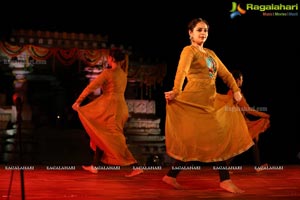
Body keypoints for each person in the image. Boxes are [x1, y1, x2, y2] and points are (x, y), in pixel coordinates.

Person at [163, 18, 254, 193]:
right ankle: (225, 180)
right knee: (214, 138)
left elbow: (226, 73)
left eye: (205, 30)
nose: (203, 33)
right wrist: (176, 90)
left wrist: (235, 89)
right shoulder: (188, 51)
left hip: (210, 100)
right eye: (199, 30)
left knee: (199, 141)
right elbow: (181, 71)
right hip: (194, 100)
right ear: (190, 33)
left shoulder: (210, 53)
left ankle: (171, 176)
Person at [72, 48, 143, 177]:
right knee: (101, 134)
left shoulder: (108, 73)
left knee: (115, 139)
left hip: (110, 108)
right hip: (120, 108)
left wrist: (78, 101)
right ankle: (94, 166)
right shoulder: (123, 74)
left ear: (111, 58)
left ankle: (135, 166)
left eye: (108, 57)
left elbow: (91, 87)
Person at [227, 69, 270, 171]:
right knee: (240, 145)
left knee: (250, 141)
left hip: (238, 122)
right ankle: (225, 166)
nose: (242, 81)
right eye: (241, 79)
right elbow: (248, 109)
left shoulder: (231, 91)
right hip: (238, 123)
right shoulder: (235, 92)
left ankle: (257, 166)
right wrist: (263, 114)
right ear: (237, 80)